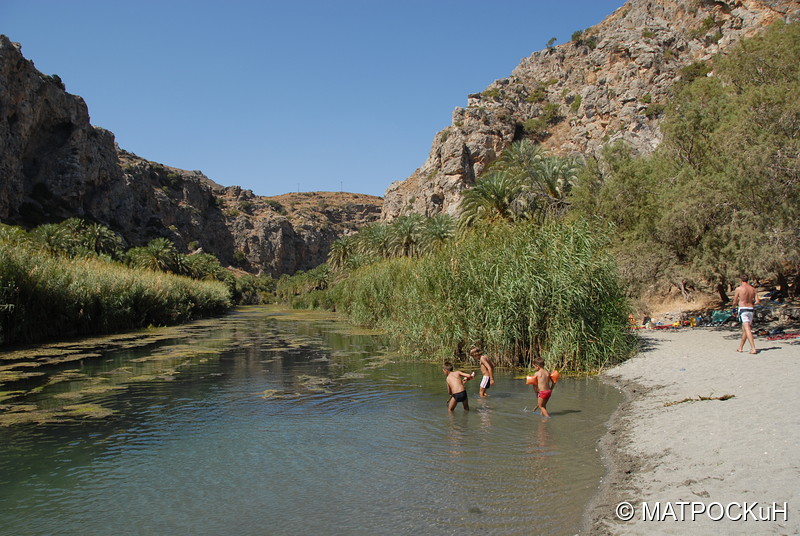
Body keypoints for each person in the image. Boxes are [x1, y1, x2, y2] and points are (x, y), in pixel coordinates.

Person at [733, 275, 760, 354]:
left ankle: (753, 348)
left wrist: (733, 309)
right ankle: (740, 347)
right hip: (750, 309)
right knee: (745, 329)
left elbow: (735, 301)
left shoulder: (739, 289)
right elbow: (758, 301)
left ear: (741, 280)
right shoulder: (753, 289)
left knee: (747, 329)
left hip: (743, 309)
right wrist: (752, 304)